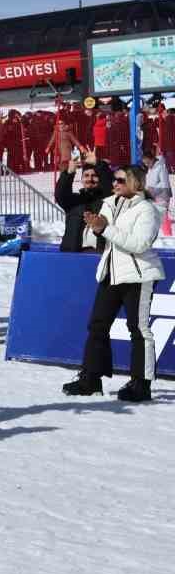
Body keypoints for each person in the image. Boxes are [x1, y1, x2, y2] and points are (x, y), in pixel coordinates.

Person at [63, 164, 163, 403]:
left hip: (138, 275)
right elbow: (103, 233)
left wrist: (105, 229)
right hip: (111, 273)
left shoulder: (147, 210)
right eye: (115, 180)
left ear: (135, 183)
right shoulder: (109, 202)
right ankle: (90, 379)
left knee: (138, 329)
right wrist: (96, 227)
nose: (115, 184)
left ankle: (141, 383)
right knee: (97, 325)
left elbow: (139, 244)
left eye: (120, 180)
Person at [54, 149, 114, 253]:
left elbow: (111, 185)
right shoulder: (74, 201)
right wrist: (68, 174)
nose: (90, 179)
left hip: (99, 254)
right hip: (73, 254)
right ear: (81, 179)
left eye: (94, 176)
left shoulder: (107, 199)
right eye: (86, 176)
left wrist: (98, 164)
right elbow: (60, 194)